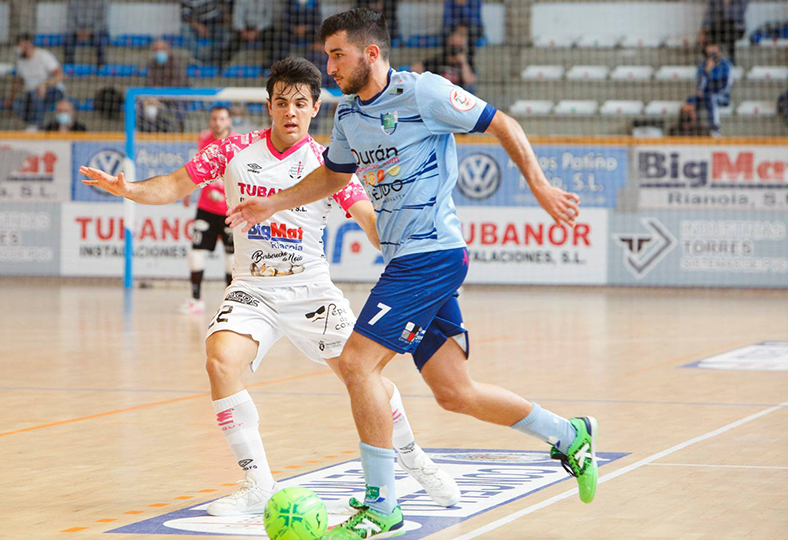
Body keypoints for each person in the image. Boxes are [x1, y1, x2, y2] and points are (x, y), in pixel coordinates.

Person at [227, 11, 597, 538]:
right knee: (454, 392)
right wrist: (274, 203)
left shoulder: (423, 94)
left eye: (337, 54)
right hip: (405, 259)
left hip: (433, 255)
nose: (328, 66)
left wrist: (538, 186)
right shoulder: (351, 117)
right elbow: (333, 176)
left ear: (370, 53)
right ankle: (569, 434)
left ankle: (382, 507)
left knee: (357, 364)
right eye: (328, 54)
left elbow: (503, 123)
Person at [79, 56, 459, 518]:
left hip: (312, 292)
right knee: (220, 361)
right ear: (269, 106)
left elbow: (369, 221)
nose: (291, 112)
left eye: (301, 103)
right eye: (282, 103)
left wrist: (417, 253)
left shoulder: (329, 165)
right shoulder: (232, 150)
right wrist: (129, 189)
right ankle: (257, 481)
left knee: (364, 379)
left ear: (316, 108)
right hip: (252, 290)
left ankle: (414, 458)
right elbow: (174, 185)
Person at [179, 106, 237, 314]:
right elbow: (198, 168)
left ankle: (231, 303)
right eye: (214, 118)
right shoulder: (203, 139)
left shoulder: (238, 142)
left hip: (230, 210)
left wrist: (223, 191)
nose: (218, 122)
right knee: (195, 254)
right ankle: (196, 299)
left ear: (229, 121)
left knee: (232, 259)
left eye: (222, 118)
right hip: (205, 208)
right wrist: (188, 192)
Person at [7, 34, 66, 132]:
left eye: (20, 45)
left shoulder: (44, 55)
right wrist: (11, 98)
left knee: (36, 93)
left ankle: (38, 126)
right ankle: (34, 123)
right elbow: (18, 81)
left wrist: (44, 85)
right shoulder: (20, 62)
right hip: (31, 94)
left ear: (27, 44)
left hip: (53, 91)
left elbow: (60, 75)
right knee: (16, 104)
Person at [687, 41, 733, 137]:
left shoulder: (725, 65)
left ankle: (715, 128)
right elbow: (700, 88)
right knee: (690, 102)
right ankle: (692, 130)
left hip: (722, 96)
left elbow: (725, 86)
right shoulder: (703, 65)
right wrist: (707, 70)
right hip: (705, 95)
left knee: (712, 97)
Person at [412, 28, 476, 93]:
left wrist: (463, 63)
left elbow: (468, 81)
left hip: (456, 96)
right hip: (438, 93)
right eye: (453, 42)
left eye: (458, 44)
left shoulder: (467, 62)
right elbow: (416, 68)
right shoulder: (439, 59)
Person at [217, 0, 272, 67]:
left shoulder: (268, 1)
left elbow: (268, 19)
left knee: (271, 38)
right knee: (233, 40)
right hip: (244, 28)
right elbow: (237, 18)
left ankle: (270, 65)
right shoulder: (241, 1)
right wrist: (244, 31)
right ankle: (221, 64)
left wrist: (257, 30)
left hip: (261, 29)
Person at [270, 0, 321, 67]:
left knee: (319, 39)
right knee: (281, 38)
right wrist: (294, 29)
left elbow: (317, 22)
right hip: (292, 33)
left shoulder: (314, 2)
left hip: (309, 33)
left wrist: (306, 28)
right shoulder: (289, 2)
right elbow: (285, 21)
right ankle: (280, 66)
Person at [64, 0, 108, 67]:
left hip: (95, 30)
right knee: (67, 39)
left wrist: (91, 31)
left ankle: (101, 66)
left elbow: (102, 21)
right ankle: (69, 66)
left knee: (99, 39)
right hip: (77, 30)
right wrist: (78, 31)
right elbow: (70, 20)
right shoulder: (73, 2)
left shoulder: (102, 2)